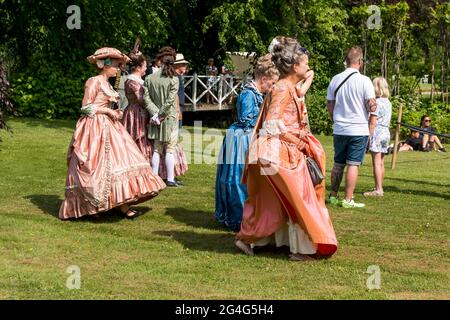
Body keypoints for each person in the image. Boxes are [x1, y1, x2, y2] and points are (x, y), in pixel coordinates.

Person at [235, 37, 338, 261]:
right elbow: (271, 124)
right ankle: (303, 248)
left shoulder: (287, 86)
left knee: (275, 199)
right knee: (299, 198)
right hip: (280, 152)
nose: (308, 66)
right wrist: (296, 139)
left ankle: (256, 239)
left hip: (281, 151)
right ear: (294, 66)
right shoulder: (282, 88)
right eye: (305, 63)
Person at [59, 47, 166, 220]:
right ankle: (92, 206)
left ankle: (121, 205)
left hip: (111, 127)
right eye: (116, 65)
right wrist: (108, 112)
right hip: (94, 129)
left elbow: (105, 105)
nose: (118, 69)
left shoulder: (107, 83)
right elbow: (85, 107)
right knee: (94, 166)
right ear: (105, 65)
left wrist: (116, 112)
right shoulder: (93, 81)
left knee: (122, 162)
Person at [215, 54, 279, 232]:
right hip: (241, 138)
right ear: (264, 79)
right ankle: (238, 216)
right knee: (236, 178)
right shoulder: (247, 94)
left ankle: (250, 214)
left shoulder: (257, 93)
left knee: (251, 179)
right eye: (272, 83)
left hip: (250, 136)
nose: (272, 87)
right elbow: (245, 119)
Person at [326, 46, 377, 208]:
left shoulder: (335, 79)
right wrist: (373, 107)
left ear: (346, 61)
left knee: (338, 163)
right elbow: (371, 105)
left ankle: (333, 195)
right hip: (358, 129)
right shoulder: (365, 81)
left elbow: (330, 105)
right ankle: (348, 199)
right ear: (360, 62)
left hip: (340, 128)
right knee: (353, 164)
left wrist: (335, 119)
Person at [143, 46, 180, 187]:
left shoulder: (149, 78)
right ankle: (170, 179)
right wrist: (160, 113)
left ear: (161, 62)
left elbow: (146, 98)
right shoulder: (174, 80)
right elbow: (170, 100)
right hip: (169, 118)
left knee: (157, 149)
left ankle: (154, 177)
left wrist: (154, 113)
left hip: (155, 119)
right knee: (170, 148)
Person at [122, 45, 153, 162]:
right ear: (139, 67)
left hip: (137, 111)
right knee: (137, 139)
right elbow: (142, 100)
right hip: (136, 113)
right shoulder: (133, 81)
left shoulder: (135, 80)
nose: (146, 69)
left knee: (143, 140)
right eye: (145, 66)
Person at [363, 77, 392, 197]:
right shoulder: (388, 102)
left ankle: (378, 189)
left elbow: (373, 122)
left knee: (376, 162)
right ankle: (379, 186)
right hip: (386, 132)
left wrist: (368, 137)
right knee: (381, 162)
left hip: (378, 132)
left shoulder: (377, 103)